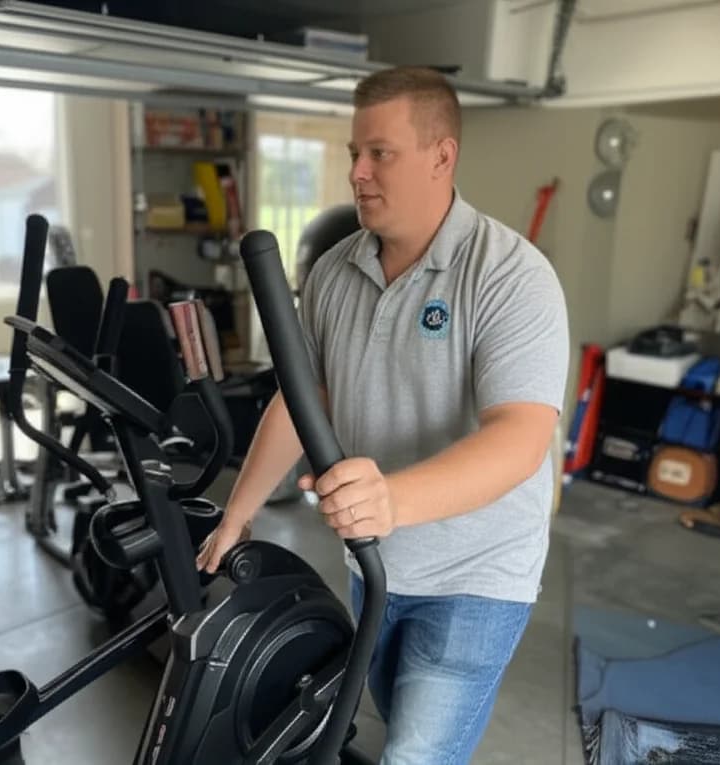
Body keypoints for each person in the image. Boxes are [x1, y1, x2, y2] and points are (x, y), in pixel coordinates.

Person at [197, 65, 569, 765]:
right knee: (400, 725)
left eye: (380, 154)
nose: (358, 173)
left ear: (442, 156)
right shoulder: (335, 271)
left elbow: (521, 438)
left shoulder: (511, 277)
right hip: (376, 565)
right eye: (352, 154)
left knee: (415, 756)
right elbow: (305, 400)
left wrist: (392, 496)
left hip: (475, 576)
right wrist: (237, 513)